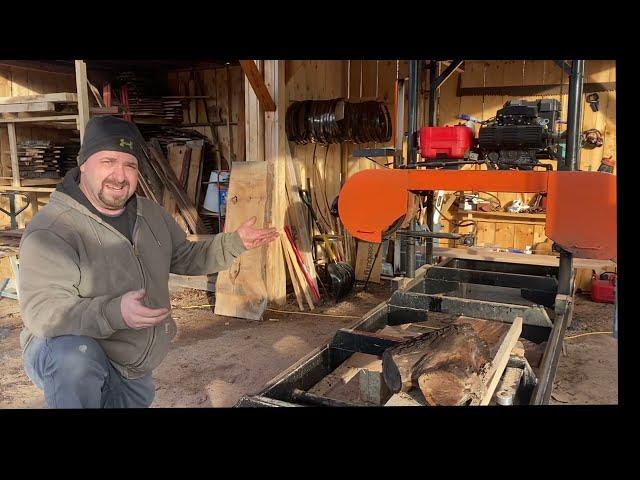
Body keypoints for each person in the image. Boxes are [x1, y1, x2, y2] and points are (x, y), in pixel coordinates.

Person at [18, 116, 278, 408]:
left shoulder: (150, 214)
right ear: (83, 164)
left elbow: (185, 257)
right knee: (74, 357)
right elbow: (44, 312)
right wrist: (115, 312)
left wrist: (234, 242)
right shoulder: (53, 229)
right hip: (75, 355)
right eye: (108, 161)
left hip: (130, 361)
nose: (120, 175)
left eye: (129, 165)